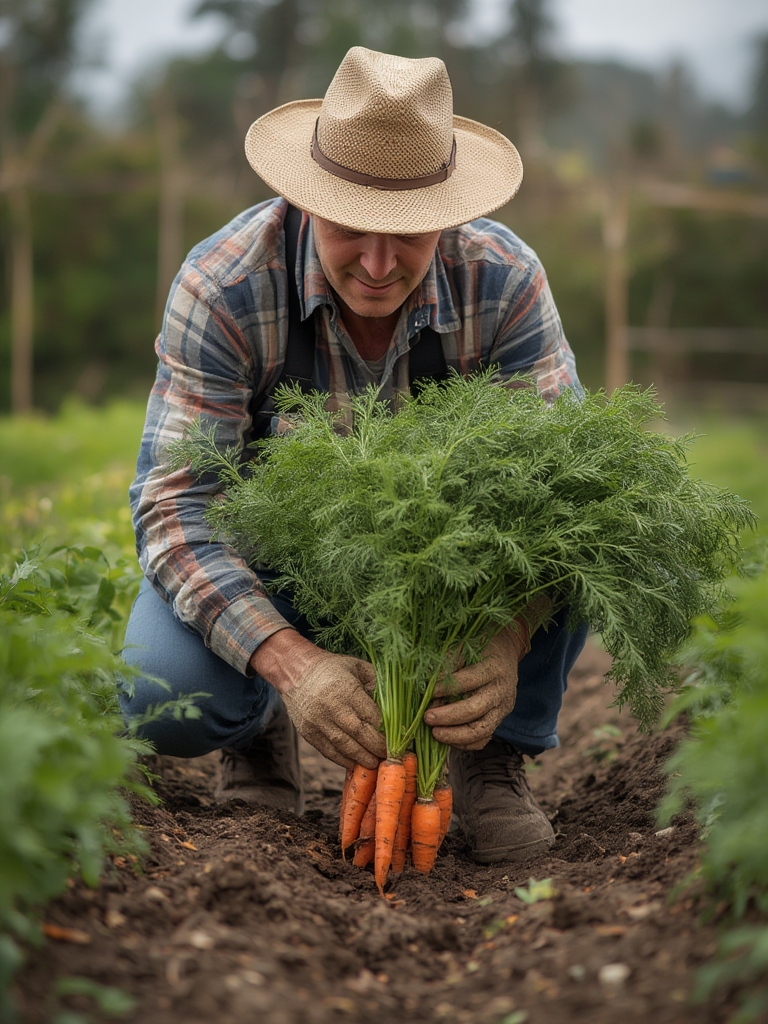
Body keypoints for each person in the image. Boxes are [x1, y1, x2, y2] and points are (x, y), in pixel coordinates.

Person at [121, 46, 588, 865]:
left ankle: (491, 753)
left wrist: (507, 639)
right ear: (303, 201)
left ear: (446, 212)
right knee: (163, 693)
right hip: (284, 574)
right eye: (349, 229)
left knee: (595, 538)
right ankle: (258, 726)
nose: (377, 265)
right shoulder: (226, 287)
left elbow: (569, 497)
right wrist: (292, 667)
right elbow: (174, 505)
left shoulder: (503, 282)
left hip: (454, 595)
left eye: (407, 234)